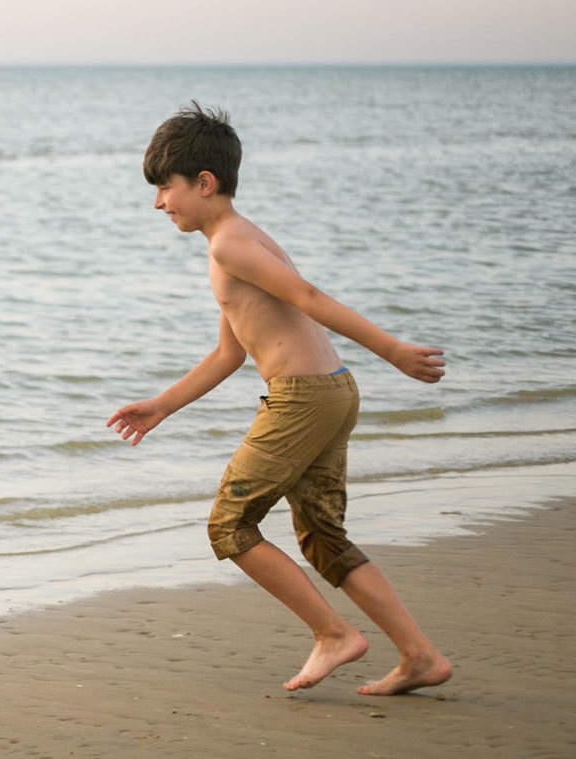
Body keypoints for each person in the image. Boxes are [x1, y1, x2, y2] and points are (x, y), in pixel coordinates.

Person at [106, 103, 453, 696]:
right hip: (333, 390)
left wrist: (391, 349)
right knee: (323, 537)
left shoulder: (229, 248)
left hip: (303, 401)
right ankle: (419, 656)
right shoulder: (240, 239)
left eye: (166, 188)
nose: (159, 203)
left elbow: (309, 296)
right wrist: (161, 405)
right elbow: (230, 354)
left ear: (204, 183)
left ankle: (332, 634)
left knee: (230, 524)